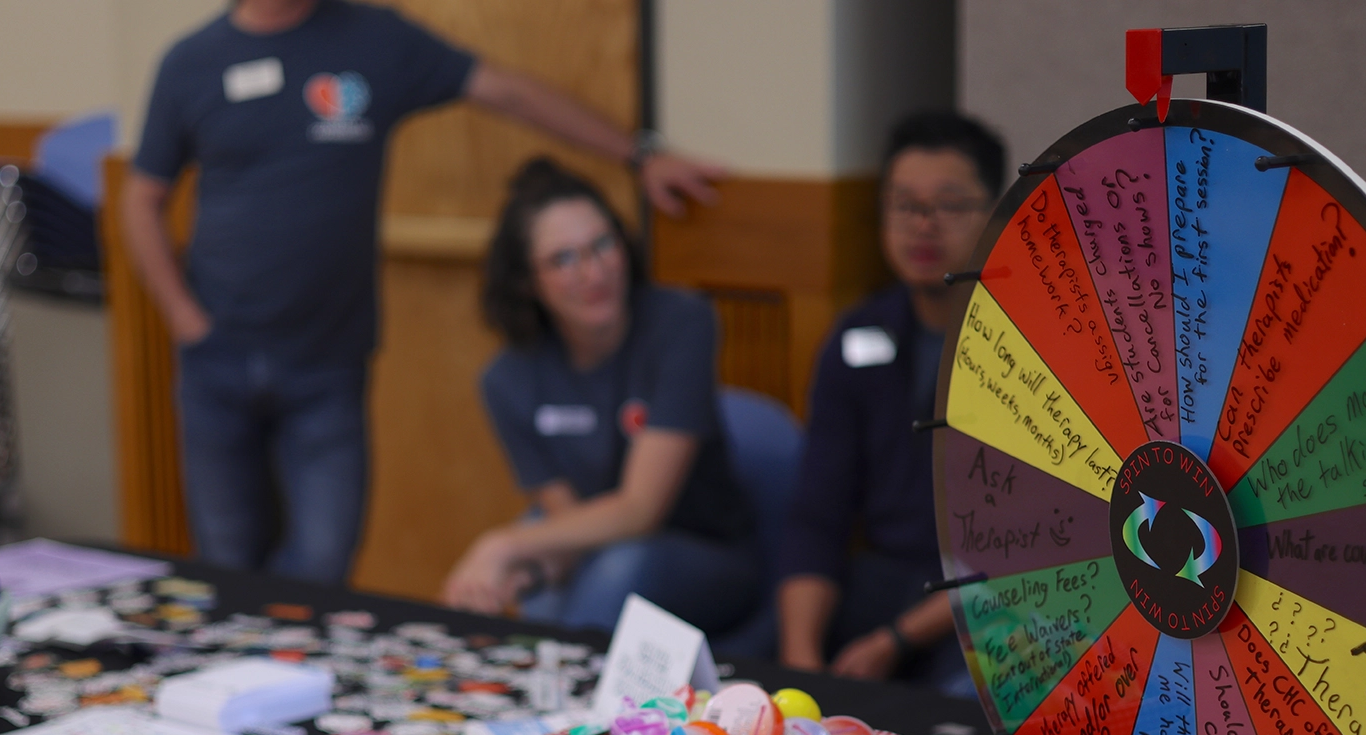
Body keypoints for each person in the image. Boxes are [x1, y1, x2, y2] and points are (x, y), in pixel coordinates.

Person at [122, 0, 721, 584]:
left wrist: (638, 155)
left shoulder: (374, 40)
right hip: (215, 358)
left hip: (327, 364)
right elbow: (141, 197)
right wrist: (183, 317)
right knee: (226, 559)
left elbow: (510, 93)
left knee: (323, 565)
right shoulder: (191, 61)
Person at [441, 158, 758, 634]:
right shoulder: (507, 378)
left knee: (603, 563)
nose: (593, 273)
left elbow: (640, 510)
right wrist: (525, 571)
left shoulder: (682, 323)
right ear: (528, 281)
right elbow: (567, 521)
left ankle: (577, 698)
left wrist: (502, 545)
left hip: (704, 553)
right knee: (538, 559)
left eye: (602, 244)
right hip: (604, 548)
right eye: (563, 259)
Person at [776, 111, 1005, 687]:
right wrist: (800, 654)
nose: (923, 226)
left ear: (998, 215)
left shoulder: (1029, 348)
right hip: (880, 582)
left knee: (967, 702)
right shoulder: (859, 334)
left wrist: (894, 641)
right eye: (905, 205)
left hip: (990, 604)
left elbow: (1030, 551)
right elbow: (816, 515)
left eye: (949, 206)